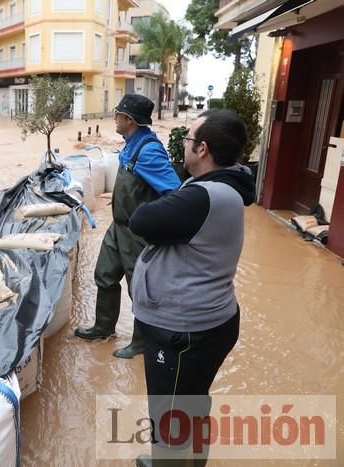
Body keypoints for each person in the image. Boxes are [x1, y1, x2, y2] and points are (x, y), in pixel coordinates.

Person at [129, 109, 255, 466]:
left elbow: (142, 220)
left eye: (186, 139)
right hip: (208, 322)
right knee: (192, 403)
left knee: (169, 419)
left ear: (202, 149)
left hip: (184, 333)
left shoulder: (204, 197)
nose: (181, 146)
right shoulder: (224, 189)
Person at [74, 94, 180, 359]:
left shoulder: (149, 151)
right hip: (117, 227)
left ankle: (142, 341)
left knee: (139, 288)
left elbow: (174, 193)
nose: (115, 119)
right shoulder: (131, 143)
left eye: (118, 114)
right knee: (104, 274)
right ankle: (103, 327)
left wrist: (152, 223)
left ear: (129, 120)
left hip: (137, 233)